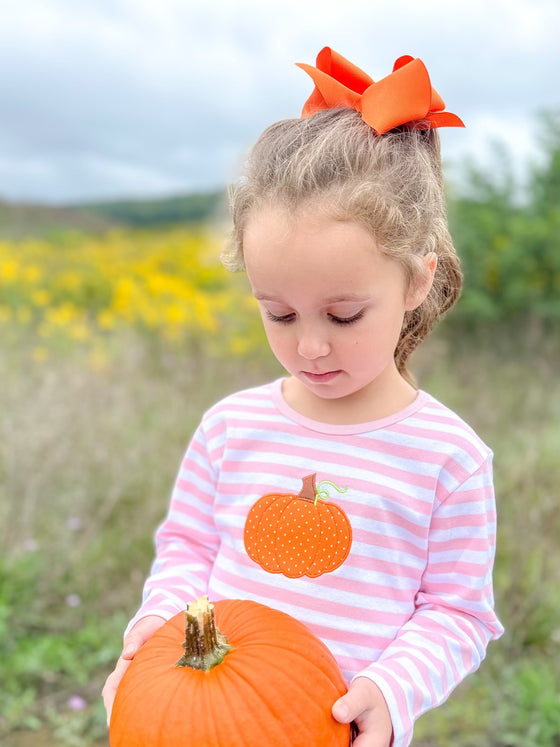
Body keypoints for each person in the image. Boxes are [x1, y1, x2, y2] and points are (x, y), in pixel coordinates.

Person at [102, 47, 503, 747]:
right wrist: (154, 633)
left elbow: (458, 613)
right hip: (202, 719)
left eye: (343, 315)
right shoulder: (231, 428)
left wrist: (391, 687)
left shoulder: (449, 458)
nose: (310, 345)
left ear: (415, 283)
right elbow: (188, 548)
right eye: (279, 314)